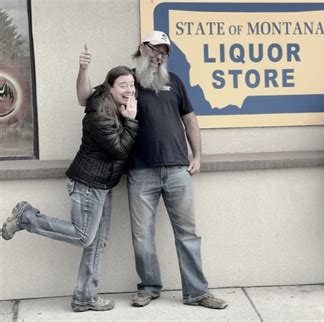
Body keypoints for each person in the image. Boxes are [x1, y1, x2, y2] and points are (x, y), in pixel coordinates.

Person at [76, 31, 228, 310]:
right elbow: (86, 99)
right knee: (142, 235)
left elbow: (190, 121)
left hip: (177, 170)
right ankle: (148, 287)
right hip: (141, 172)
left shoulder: (176, 83)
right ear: (141, 49)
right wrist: (83, 69)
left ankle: (197, 292)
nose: (159, 55)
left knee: (188, 233)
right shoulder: (126, 82)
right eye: (154, 49)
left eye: (164, 51)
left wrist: (198, 156)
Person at [2, 65, 138, 312]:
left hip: (104, 184)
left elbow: (85, 93)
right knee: (84, 237)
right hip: (88, 183)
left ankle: (85, 297)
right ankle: (26, 216)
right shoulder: (99, 114)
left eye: (132, 85)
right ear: (109, 87)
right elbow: (119, 149)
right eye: (123, 85)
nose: (129, 90)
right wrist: (131, 121)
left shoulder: (112, 104)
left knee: (97, 243)